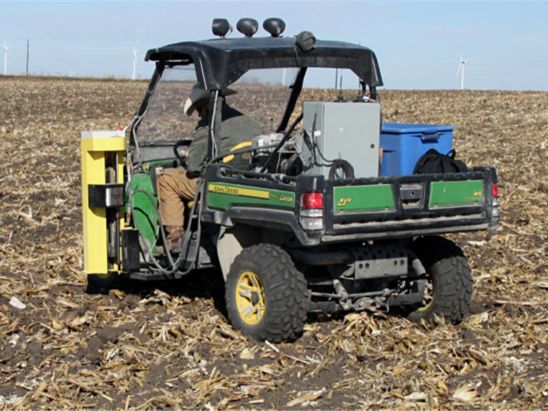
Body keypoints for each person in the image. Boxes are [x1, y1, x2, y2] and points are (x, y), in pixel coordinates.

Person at [157, 83, 263, 250]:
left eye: (199, 110)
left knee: (166, 179)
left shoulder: (209, 125)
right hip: (247, 180)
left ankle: (175, 237)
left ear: (206, 106)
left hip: (217, 184)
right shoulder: (251, 122)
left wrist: (189, 155)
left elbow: (193, 167)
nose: (199, 115)